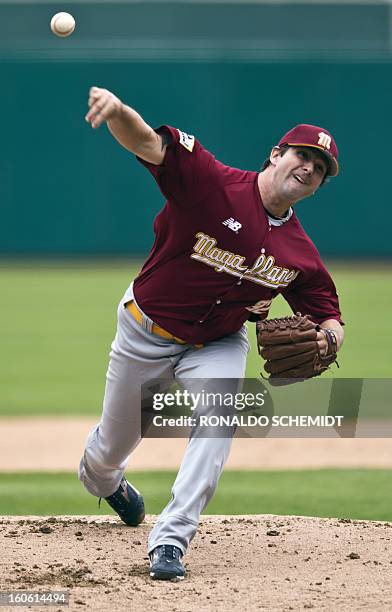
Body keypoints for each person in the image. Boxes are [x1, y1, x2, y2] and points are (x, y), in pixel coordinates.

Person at [79, 86, 345, 581]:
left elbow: (330, 313)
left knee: (220, 418)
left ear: (317, 186)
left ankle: (171, 540)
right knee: (107, 453)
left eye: (320, 168)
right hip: (145, 330)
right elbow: (147, 143)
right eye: (303, 155)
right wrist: (117, 112)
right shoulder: (211, 182)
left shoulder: (300, 253)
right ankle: (107, 480)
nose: (308, 167)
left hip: (218, 343)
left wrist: (329, 340)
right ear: (276, 154)